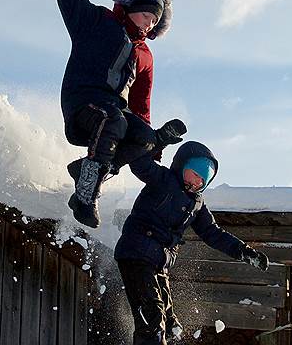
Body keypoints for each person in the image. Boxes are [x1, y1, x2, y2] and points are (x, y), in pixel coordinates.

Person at [44, 0, 183, 228]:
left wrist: (151, 145)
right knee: (114, 120)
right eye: (147, 16)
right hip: (83, 102)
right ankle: (86, 195)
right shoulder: (97, 22)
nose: (149, 24)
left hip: (114, 114)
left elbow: (141, 102)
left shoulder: (144, 56)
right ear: (133, 6)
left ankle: (86, 170)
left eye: (155, 21)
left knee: (142, 136)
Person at [115, 141, 271, 345]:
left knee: (170, 323)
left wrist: (244, 251)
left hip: (158, 263)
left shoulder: (197, 204)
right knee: (152, 315)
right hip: (135, 253)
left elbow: (213, 233)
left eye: (203, 180)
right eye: (195, 174)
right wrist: (157, 142)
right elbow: (138, 162)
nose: (197, 182)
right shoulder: (162, 179)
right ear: (181, 165)